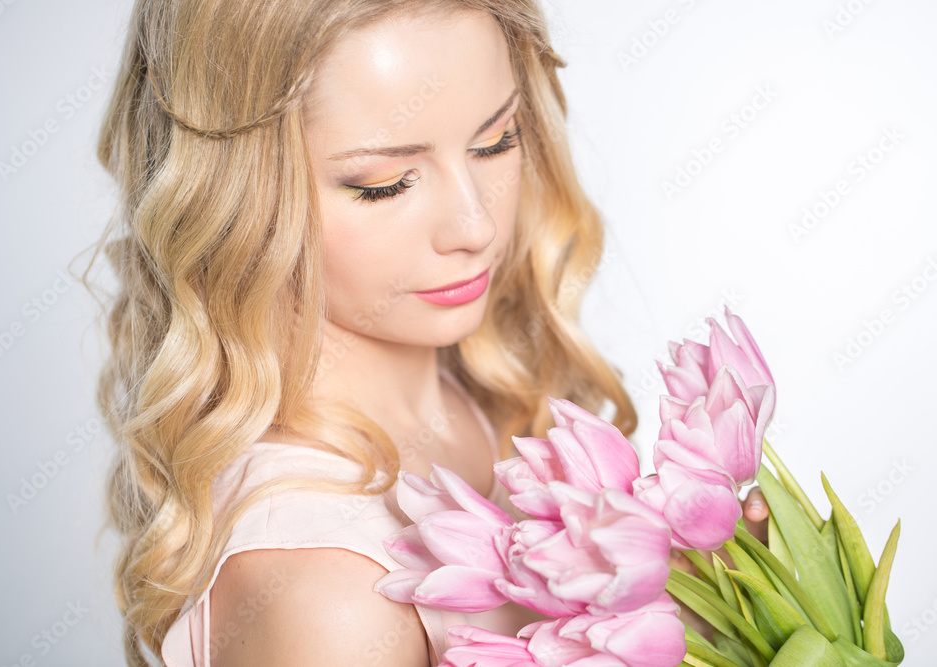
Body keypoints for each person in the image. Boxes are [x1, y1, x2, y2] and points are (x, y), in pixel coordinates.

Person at [87, 1, 769, 665]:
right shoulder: (331, 596)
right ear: (234, 201)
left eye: (495, 141)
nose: (474, 226)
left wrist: (732, 622)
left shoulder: (492, 409)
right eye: (385, 183)